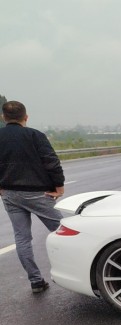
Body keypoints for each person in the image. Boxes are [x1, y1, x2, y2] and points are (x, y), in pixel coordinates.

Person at [0, 101, 65, 293]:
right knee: (64, 231)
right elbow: (51, 162)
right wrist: (59, 187)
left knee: (22, 239)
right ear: (25, 117)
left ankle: (36, 281)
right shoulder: (35, 135)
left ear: (4, 117)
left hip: (10, 194)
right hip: (39, 193)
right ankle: (80, 274)